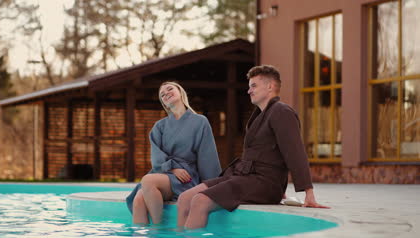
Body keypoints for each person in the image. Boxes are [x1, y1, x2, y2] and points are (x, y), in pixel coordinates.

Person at [176, 65, 330, 229]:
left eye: (254, 86)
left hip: (264, 183)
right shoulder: (259, 115)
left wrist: (308, 193)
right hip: (244, 177)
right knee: (185, 198)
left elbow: (295, 153)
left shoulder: (282, 112)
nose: (249, 91)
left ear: (270, 86)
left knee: (201, 201)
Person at [126, 81, 221, 225]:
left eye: (170, 89)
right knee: (138, 200)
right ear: (163, 102)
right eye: (162, 95)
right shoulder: (160, 126)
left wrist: (211, 185)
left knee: (147, 180)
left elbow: (207, 155)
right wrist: (172, 168)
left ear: (180, 92)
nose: (166, 94)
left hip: (186, 176)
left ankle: (158, 229)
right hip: (163, 171)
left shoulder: (200, 122)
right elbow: (156, 155)